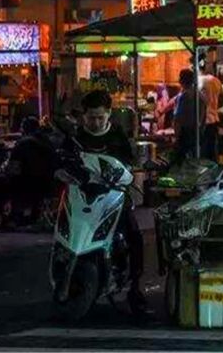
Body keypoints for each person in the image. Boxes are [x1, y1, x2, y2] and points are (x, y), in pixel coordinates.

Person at [73, 90, 146, 314]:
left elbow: (129, 162)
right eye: (91, 118)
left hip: (114, 196)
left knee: (134, 235)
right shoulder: (76, 138)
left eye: (100, 118)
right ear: (83, 116)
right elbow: (64, 159)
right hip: (82, 197)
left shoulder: (117, 136)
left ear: (109, 115)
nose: (95, 122)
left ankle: (135, 287)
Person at [197, 58, 223, 160]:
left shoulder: (198, 81)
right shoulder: (216, 81)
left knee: (202, 152)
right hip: (214, 120)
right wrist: (214, 107)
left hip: (203, 121)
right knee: (212, 151)